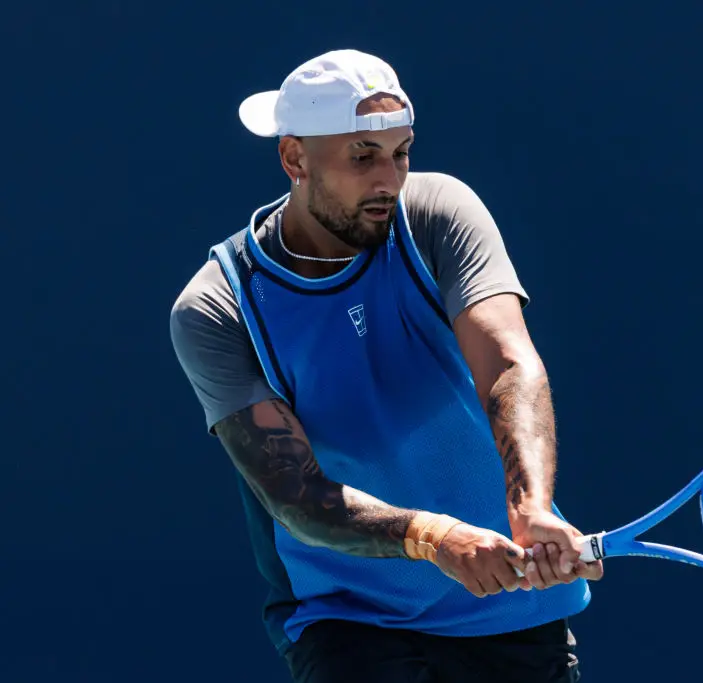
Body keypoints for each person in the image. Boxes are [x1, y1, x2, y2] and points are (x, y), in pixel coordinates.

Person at [169, 48, 603, 683]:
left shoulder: (437, 214)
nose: (389, 180)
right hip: (351, 621)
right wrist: (436, 537)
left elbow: (509, 364)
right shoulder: (217, 307)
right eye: (362, 155)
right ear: (294, 158)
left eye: (401, 153)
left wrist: (530, 504)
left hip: (511, 608)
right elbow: (296, 495)